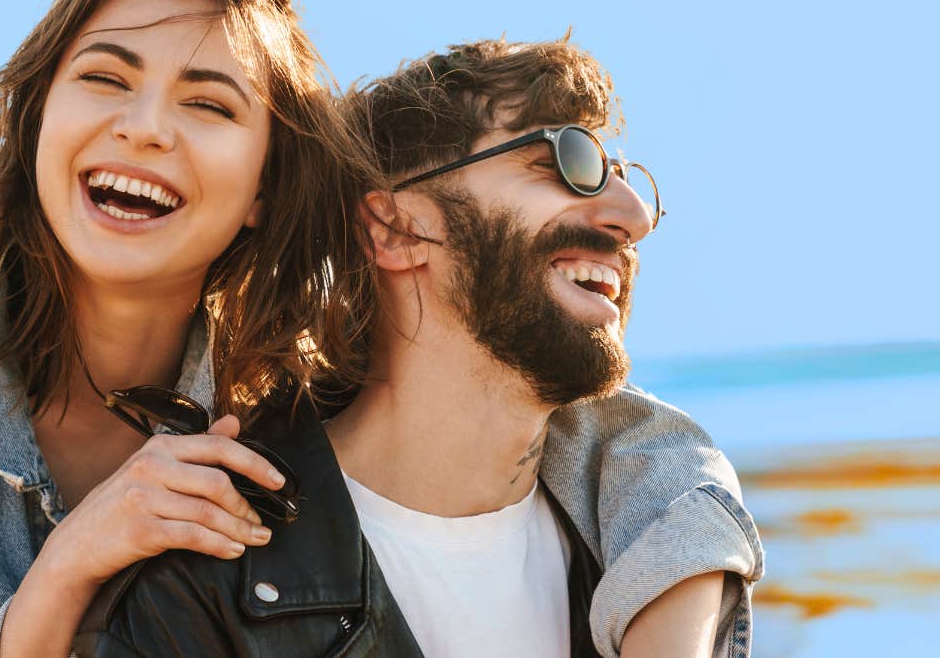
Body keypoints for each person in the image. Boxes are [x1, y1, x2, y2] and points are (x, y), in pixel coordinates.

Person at [0, 0, 758, 658]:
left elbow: (593, 420)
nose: (146, 128)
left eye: (208, 103)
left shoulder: (316, 355)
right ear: (38, 117)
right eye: (104, 79)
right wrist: (74, 560)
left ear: (264, 184)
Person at [72, 39, 763, 657]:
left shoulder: (635, 547)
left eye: (623, 175)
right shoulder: (206, 588)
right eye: (568, 160)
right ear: (396, 228)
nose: (633, 217)